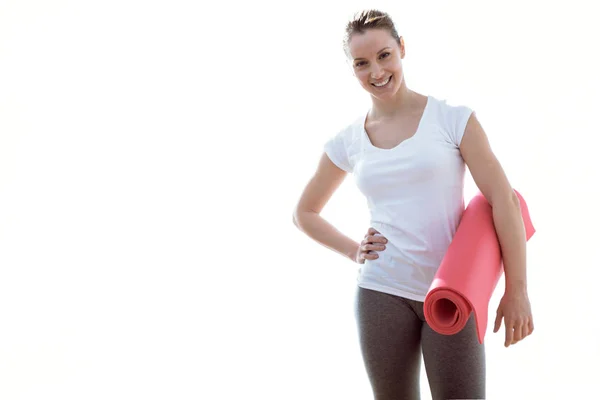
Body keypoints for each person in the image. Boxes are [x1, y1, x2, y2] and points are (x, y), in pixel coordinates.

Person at [292, 9, 535, 400]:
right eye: (362, 63)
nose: (376, 71)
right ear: (352, 69)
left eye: (384, 55)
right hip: (381, 290)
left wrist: (517, 289)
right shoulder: (348, 141)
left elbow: (503, 201)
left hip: (452, 289)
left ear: (402, 48)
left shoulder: (452, 120)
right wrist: (355, 250)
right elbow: (303, 213)